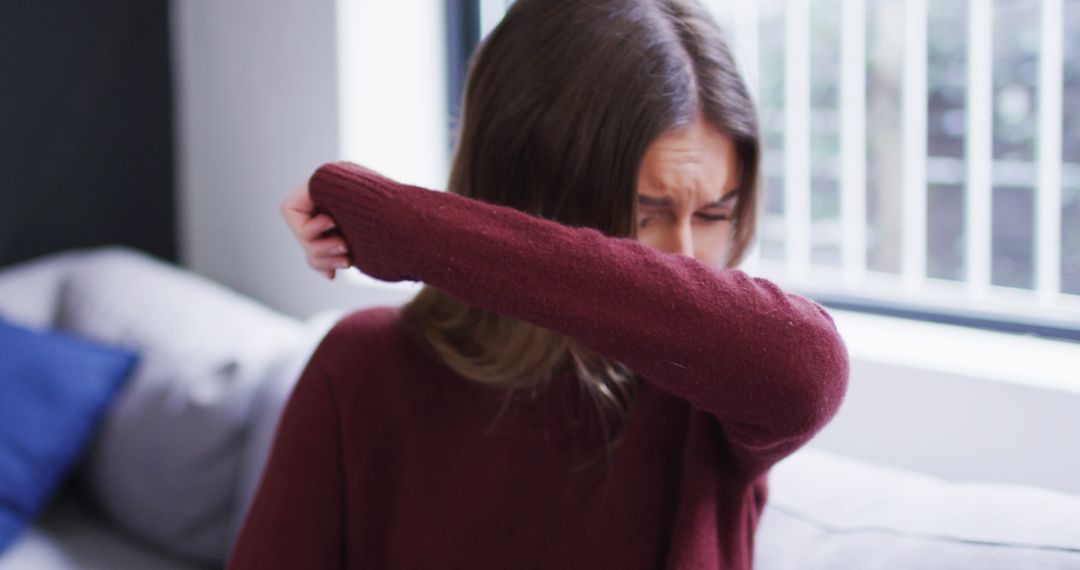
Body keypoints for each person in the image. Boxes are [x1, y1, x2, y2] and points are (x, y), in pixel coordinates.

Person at [228, 0, 849, 568]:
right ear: (522, 194)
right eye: (643, 214)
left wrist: (409, 229)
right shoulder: (364, 365)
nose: (687, 260)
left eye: (715, 216)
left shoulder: (710, 388)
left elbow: (808, 363)